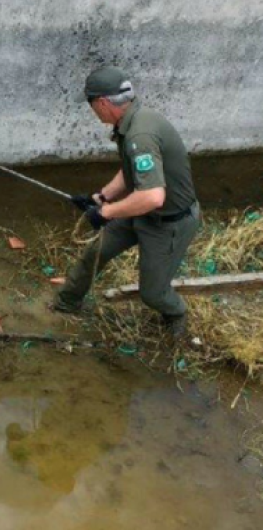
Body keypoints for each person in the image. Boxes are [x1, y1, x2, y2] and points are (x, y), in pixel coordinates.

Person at [53, 66, 200, 339]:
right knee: (96, 252)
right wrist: (102, 196)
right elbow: (130, 171)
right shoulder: (131, 123)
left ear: (103, 103)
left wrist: (106, 212)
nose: (93, 111)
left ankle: (176, 312)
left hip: (169, 223)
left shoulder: (140, 135)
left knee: (153, 293)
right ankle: (65, 305)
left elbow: (152, 196)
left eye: (91, 105)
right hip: (142, 213)